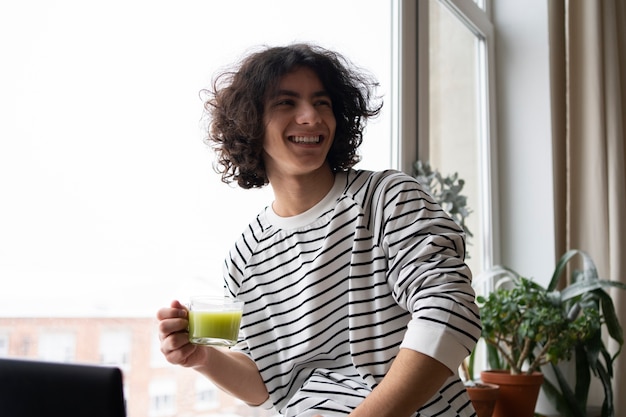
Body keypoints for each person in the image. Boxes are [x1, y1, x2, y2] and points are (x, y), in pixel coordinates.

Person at [157, 43, 481, 417]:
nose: (311, 117)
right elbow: (269, 386)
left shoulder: (386, 197)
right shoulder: (245, 256)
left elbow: (449, 310)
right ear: (250, 123)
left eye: (322, 103)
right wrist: (202, 357)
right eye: (287, 103)